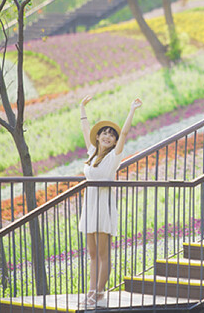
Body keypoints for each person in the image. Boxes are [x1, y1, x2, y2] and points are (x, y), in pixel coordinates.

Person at [78, 95, 142, 307]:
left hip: (103, 208)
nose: (107, 136)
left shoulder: (114, 156)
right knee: (93, 254)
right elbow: (86, 131)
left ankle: (99, 292)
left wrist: (132, 109)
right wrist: (82, 109)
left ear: (115, 141)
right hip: (89, 207)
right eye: (104, 133)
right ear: (98, 138)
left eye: (111, 135)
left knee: (104, 253)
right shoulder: (92, 153)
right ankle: (92, 290)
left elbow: (124, 132)